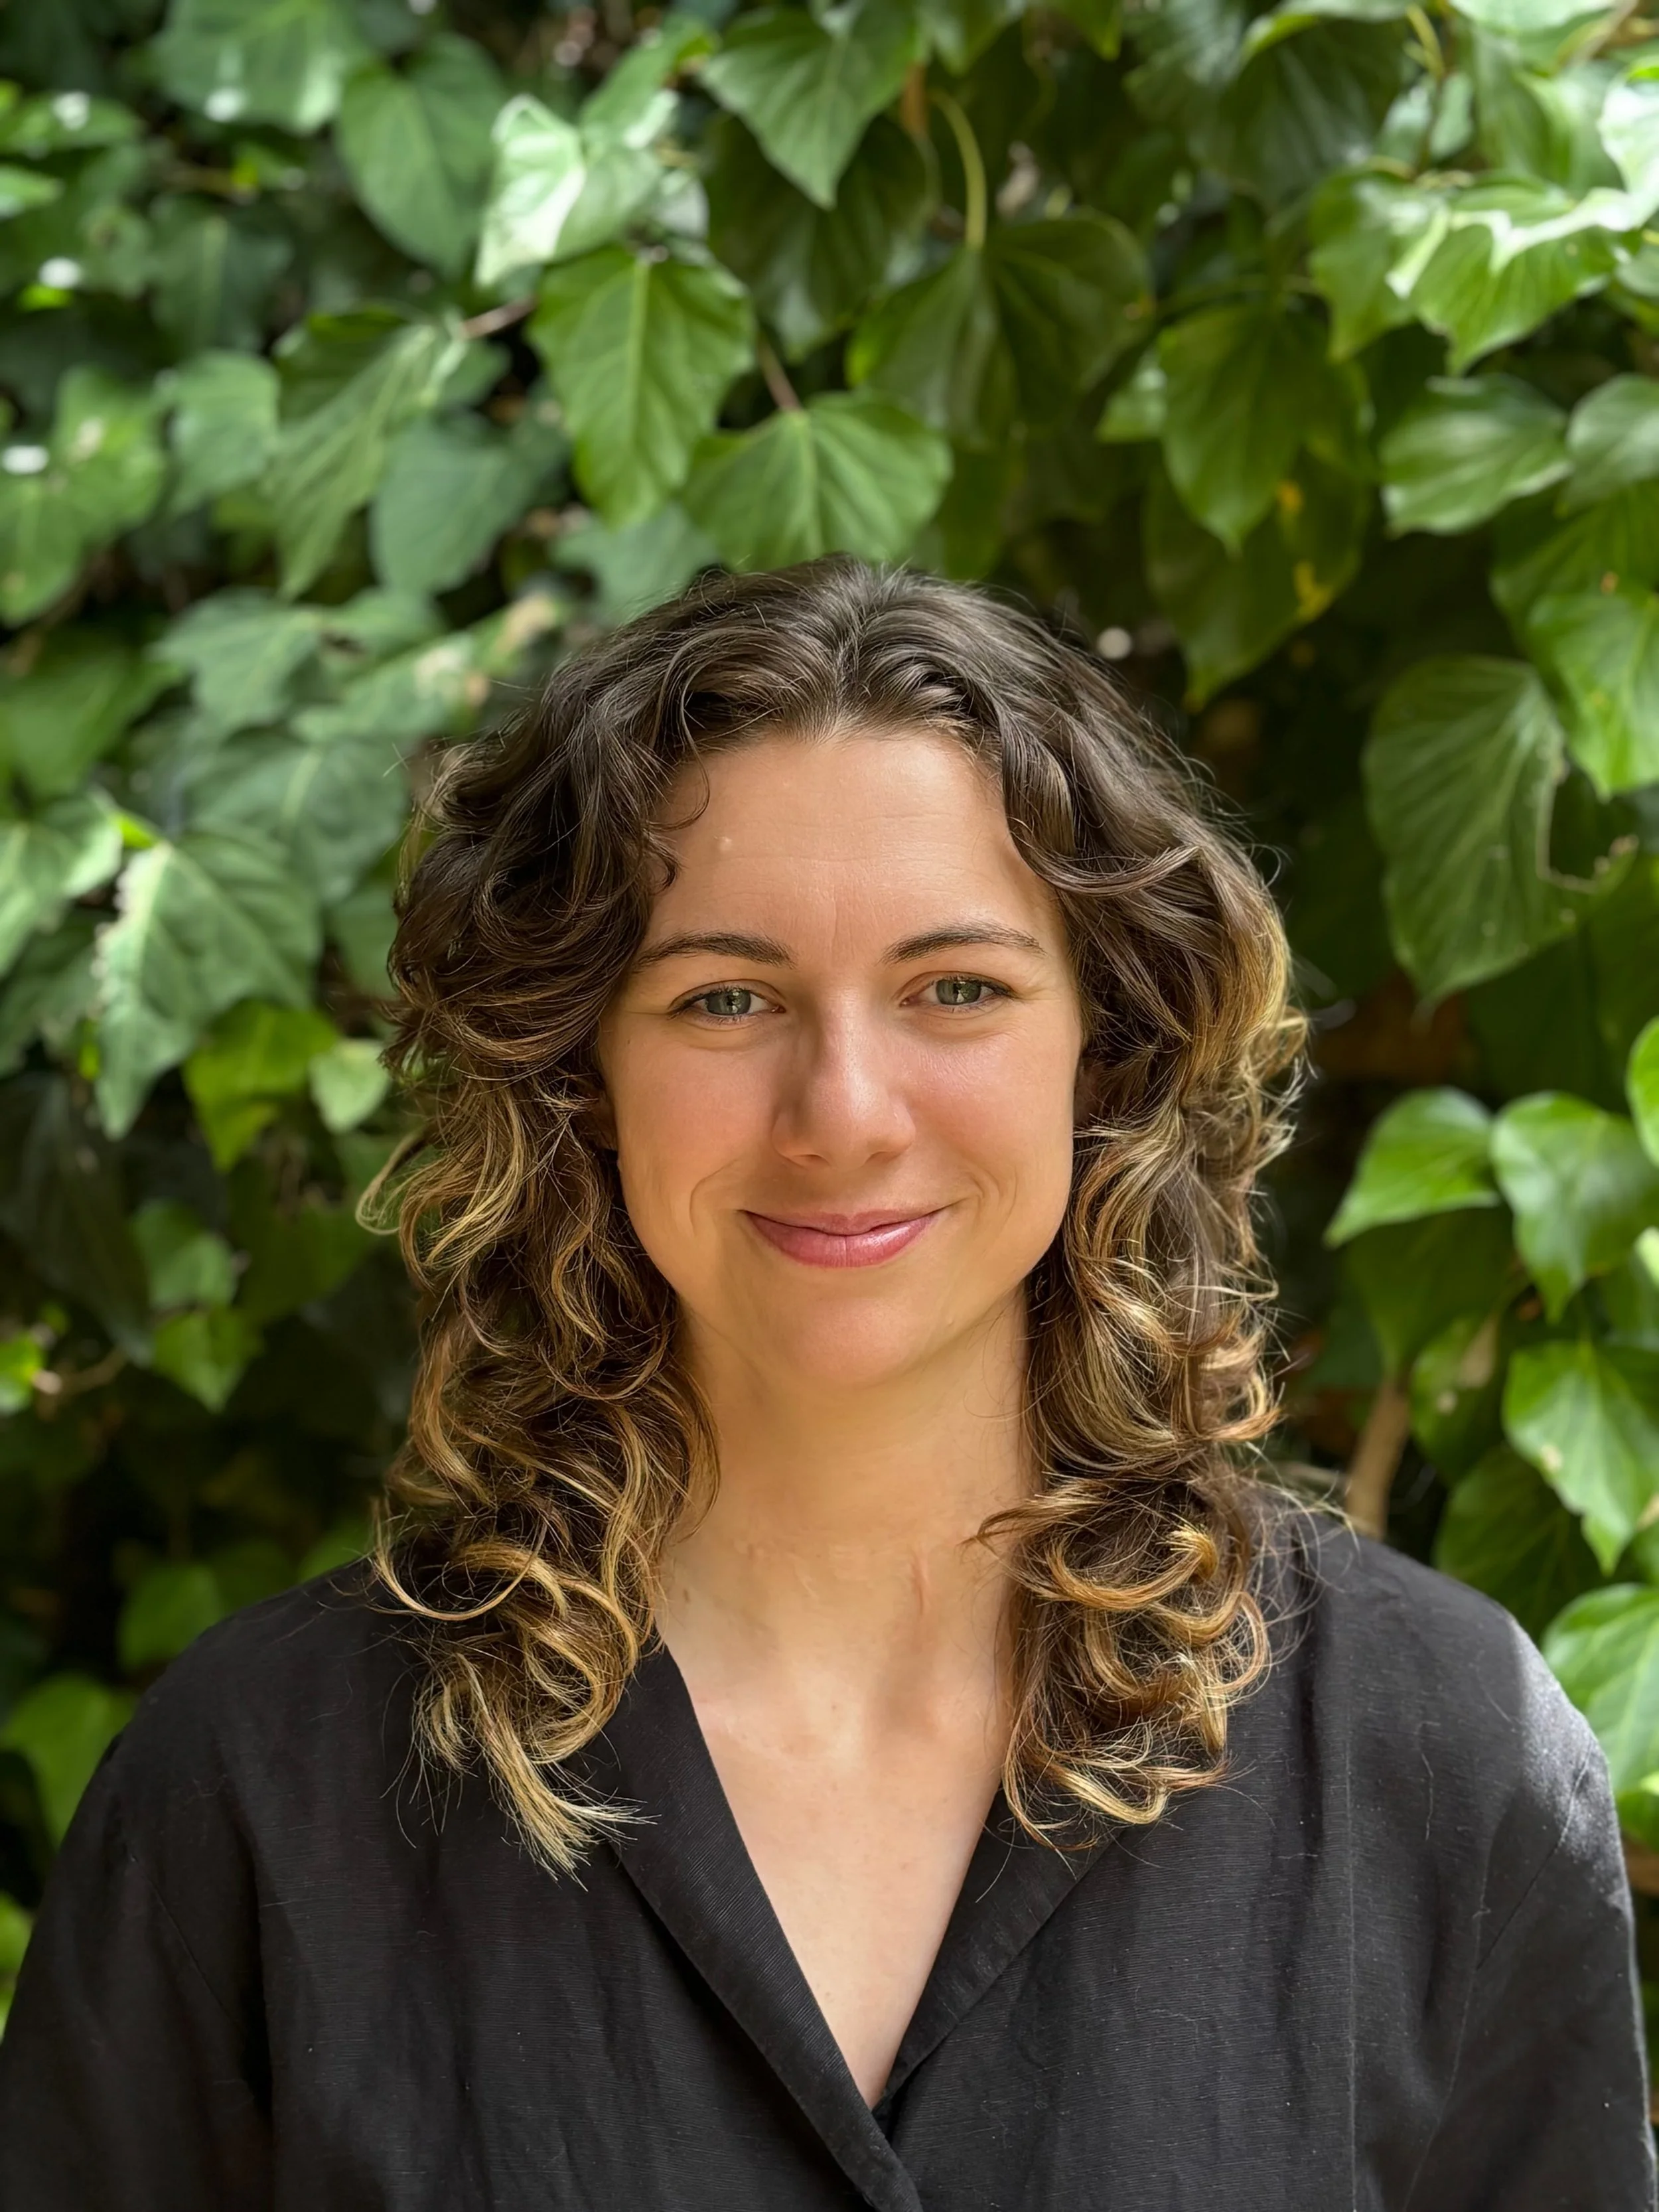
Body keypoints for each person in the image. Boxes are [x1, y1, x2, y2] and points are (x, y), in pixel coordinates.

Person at [0, 556, 1651, 2209]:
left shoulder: (1437, 1759)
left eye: (956, 989)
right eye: (725, 996)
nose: (843, 1111)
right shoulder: (256, 1794)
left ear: (1109, 1048)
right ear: (578, 1070)